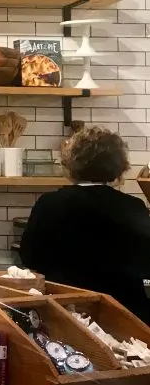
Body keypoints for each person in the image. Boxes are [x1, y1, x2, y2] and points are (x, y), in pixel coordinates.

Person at [20, 127, 150, 324]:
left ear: (72, 163)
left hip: (68, 309)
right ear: (119, 166)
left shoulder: (50, 203)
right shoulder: (133, 207)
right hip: (126, 313)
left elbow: (31, 257)